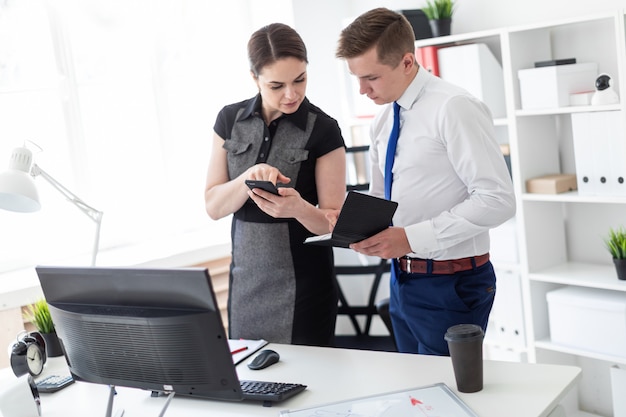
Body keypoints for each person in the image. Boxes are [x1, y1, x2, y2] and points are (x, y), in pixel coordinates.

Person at [335, 8, 516, 355]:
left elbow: (497, 199)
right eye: (355, 78)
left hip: (451, 283)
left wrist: (410, 238)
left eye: (370, 77)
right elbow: (378, 197)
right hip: (402, 281)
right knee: (418, 398)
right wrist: (355, 231)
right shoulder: (383, 119)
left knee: (448, 399)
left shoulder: (454, 107)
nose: (361, 90)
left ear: (406, 62)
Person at [204, 23, 346, 347]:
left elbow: (334, 223)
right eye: (276, 85)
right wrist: (248, 177)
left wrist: (297, 208)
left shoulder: (324, 130)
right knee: (251, 385)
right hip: (246, 285)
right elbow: (213, 206)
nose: (291, 94)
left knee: (308, 388)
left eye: (300, 79)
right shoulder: (229, 120)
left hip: (305, 289)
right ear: (254, 79)